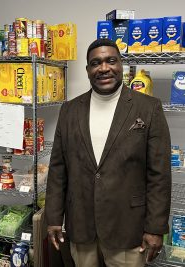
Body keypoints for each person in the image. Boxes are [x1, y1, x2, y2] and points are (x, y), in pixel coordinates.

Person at [45, 38, 171, 267]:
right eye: (96, 63)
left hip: (128, 228)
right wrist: (54, 217)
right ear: (87, 70)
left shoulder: (148, 107)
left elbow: (159, 175)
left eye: (111, 61)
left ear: (121, 64)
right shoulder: (69, 110)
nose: (104, 68)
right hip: (81, 226)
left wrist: (156, 228)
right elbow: (57, 169)